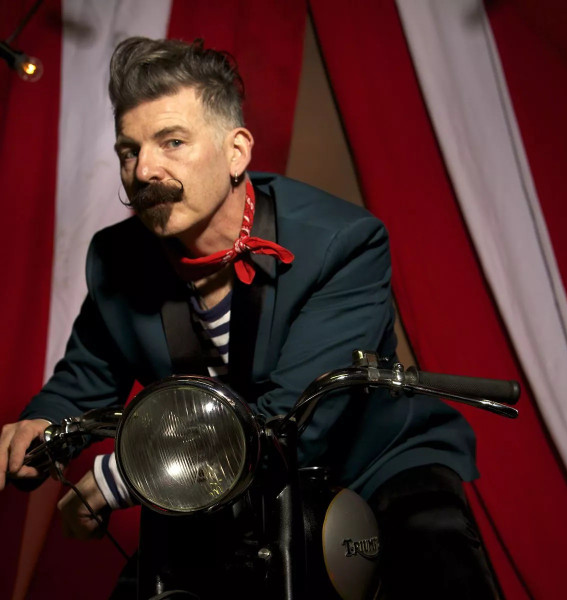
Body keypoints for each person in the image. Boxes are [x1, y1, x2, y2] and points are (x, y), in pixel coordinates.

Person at [0, 37, 499, 598]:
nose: (144, 169)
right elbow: (86, 377)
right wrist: (40, 427)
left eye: (172, 142)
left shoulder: (342, 243)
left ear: (236, 152)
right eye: (128, 151)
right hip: (212, 480)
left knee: (442, 569)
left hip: (368, 465)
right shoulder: (117, 257)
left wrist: (123, 478)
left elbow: (294, 422)